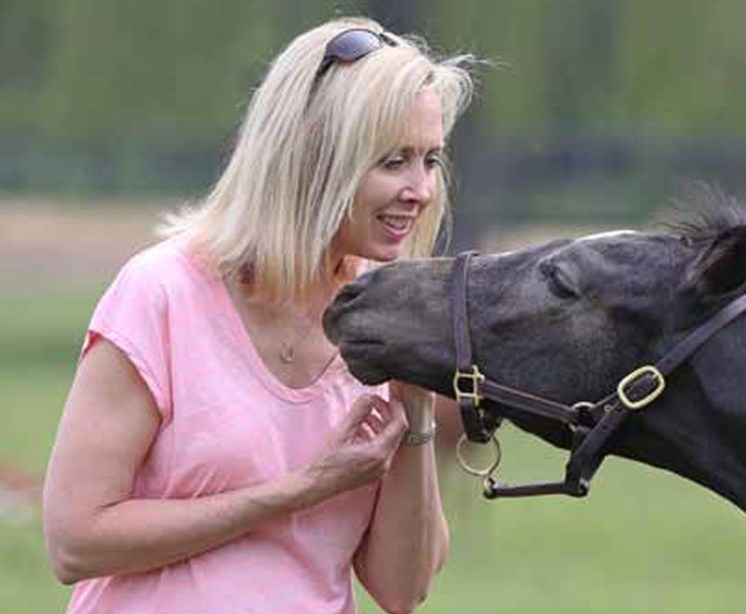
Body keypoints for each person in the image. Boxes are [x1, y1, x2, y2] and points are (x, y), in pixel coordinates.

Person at [42, 16, 475, 614]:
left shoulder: (384, 322)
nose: (421, 190)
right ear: (313, 158)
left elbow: (403, 589)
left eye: (430, 159)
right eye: (393, 161)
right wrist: (304, 489)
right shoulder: (162, 293)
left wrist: (419, 407)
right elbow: (76, 541)